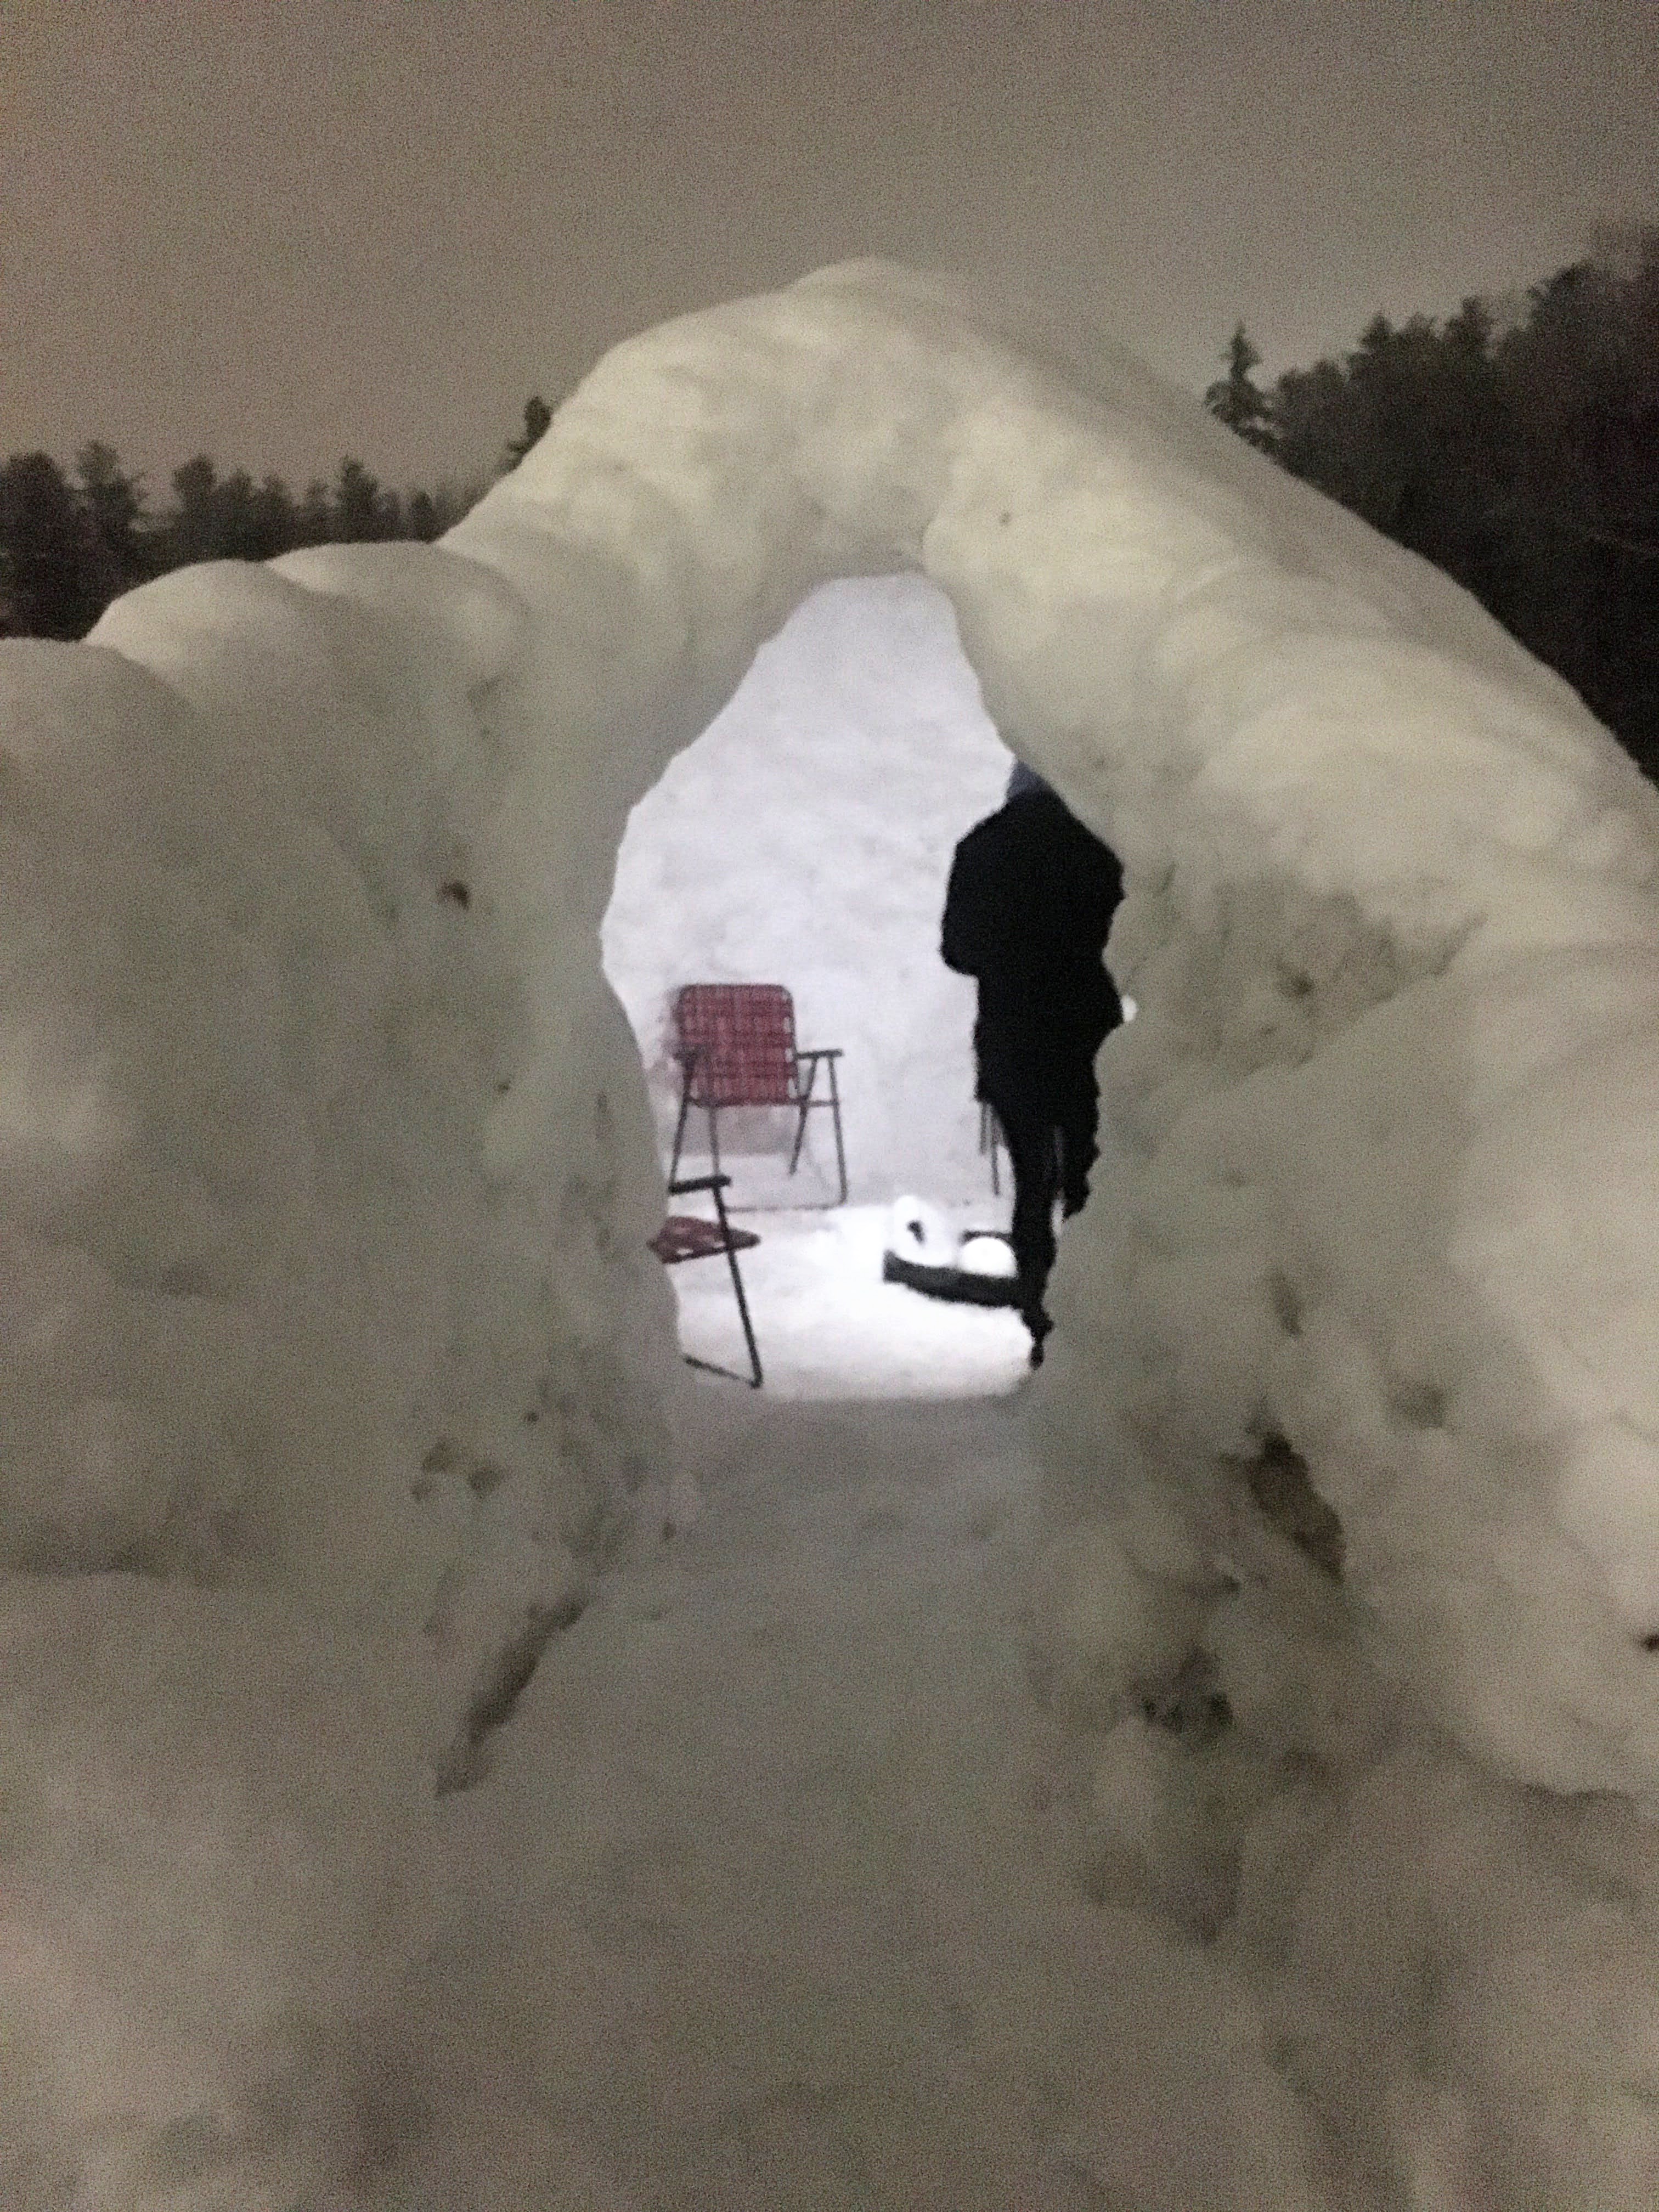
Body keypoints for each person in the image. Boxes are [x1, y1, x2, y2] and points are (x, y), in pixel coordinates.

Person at [941, 763, 1125, 1365]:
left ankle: (1040, 1321)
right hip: (1086, 1035)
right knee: (1086, 1181)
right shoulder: (1098, 843)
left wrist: (1012, 952)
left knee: (1031, 1184)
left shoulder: (982, 846)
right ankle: (1091, 1324)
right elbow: (1127, 937)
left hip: (1012, 1036)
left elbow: (958, 950)